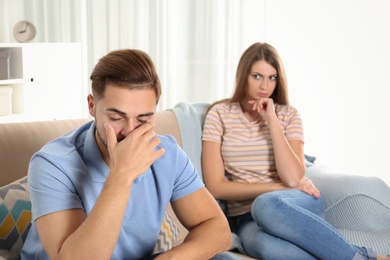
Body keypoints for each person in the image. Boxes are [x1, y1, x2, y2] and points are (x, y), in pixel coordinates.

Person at [20, 49, 234, 259]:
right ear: (92, 105)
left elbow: (217, 228)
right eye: (116, 118)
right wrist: (123, 173)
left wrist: (172, 258)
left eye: (143, 120)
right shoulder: (52, 163)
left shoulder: (167, 154)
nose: (131, 132)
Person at [201, 42, 390, 260]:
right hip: (246, 216)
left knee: (265, 204)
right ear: (243, 75)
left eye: (272, 78)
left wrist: (271, 120)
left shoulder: (288, 115)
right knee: (264, 246)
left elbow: (292, 178)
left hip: (296, 202)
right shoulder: (219, 114)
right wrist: (273, 186)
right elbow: (215, 187)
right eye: (257, 76)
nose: (265, 86)